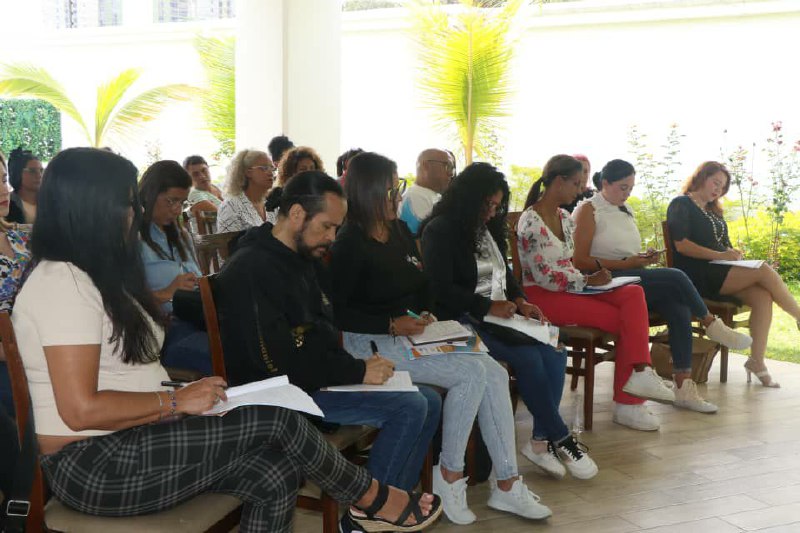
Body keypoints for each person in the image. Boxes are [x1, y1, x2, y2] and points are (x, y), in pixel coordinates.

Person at [10, 147, 442, 533]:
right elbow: (80, 409)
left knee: (275, 471)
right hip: (94, 465)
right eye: (126, 203)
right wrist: (178, 402)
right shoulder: (61, 282)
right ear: (90, 208)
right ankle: (371, 499)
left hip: (134, 440)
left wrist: (183, 395)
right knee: (276, 418)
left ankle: (368, 502)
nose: (134, 215)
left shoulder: (96, 277)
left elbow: (124, 373)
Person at [331, 153, 562, 525]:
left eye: (399, 187)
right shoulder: (350, 243)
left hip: (409, 335)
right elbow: (338, 314)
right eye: (394, 188)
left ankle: (507, 484)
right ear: (371, 191)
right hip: (369, 344)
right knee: (472, 374)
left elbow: (422, 285)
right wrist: (390, 323)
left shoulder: (399, 233)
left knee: (495, 373)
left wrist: (421, 314)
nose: (398, 196)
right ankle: (449, 476)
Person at [213, 171, 441, 524]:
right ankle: (368, 513)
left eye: (337, 228)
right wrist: (357, 371)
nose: (332, 238)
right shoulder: (252, 269)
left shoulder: (303, 259)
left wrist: (359, 364)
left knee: (428, 398)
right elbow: (274, 363)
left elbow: (319, 333)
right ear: (298, 214)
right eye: (327, 227)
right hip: (279, 397)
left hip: (313, 379)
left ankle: (384, 507)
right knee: (409, 406)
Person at [420, 162, 599, 485]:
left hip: (499, 314)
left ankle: (541, 441)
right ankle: (562, 438)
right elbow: (440, 290)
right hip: (463, 318)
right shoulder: (440, 230)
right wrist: (488, 305)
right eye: (487, 204)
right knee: (529, 357)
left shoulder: (487, 229)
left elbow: (507, 275)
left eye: (497, 205)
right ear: (469, 199)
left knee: (555, 348)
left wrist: (520, 301)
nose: (492, 211)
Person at [572, 159, 752, 412]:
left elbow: (625, 252)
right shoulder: (588, 210)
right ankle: (711, 323)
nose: (628, 193)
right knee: (676, 276)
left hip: (631, 275)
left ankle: (683, 386)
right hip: (605, 281)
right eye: (623, 188)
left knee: (676, 304)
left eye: (631, 188)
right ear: (605, 183)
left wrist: (642, 258)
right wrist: (626, 263)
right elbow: (579, 261)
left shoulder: (625, 210)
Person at [516, 155, 675, 431]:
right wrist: (588, 280)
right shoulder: (530, 220)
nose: (580, 190)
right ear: (558, 181)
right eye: (576, 183)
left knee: (632, 294)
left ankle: (641, 375)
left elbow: (566, 265)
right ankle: (630, 400)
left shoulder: (564, 217)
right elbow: (545, 277)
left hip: (572, 288)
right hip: (543, 297)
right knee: (628, 322)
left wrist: (590, 281)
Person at [667, 161, 800, 388]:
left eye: (722, 186)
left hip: (718, 271)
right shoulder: (681, 204)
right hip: (694, 276)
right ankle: (798, 314)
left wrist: (732, 253)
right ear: (701, 177)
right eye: (715, 182)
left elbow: (722, 246)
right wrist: (720, 256)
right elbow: (682, 246)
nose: (718, 189)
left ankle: (757, 362)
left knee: (762, 296)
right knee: (763, 269)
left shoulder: (713, 211)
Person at [138, 160, 211, 376]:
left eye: (182, 203)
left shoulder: (180, 236)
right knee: (222, 354)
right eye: (171, 201)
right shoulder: (133, 239)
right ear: (150, 194)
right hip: (162, 332)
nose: (177, 209)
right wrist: (168, 292)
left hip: (196, 319)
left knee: (243, 344)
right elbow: (123, 301)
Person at [0, 150, 33, 519]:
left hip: (31, 348)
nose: (4, 188)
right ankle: (23, 510)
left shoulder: (24, 236)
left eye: (5, 176)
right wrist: (12, 351)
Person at [398, 148, 454, 235]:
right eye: (448, 166)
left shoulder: (430, 195)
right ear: (425, 166)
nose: (450, 173)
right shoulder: (416, 197)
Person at [216, 149, 275, 232]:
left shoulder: (273, 203)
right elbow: (228, 243)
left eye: (272, 168)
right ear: (248, 172)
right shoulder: (231, 206)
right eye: (264, 168)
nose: (271, 173)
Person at [183, 155, 224, 233]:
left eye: (204, 170)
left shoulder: (217, 188)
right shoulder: (193, 194)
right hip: (211, 241)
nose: (202, 176)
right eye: (195, 174)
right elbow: (227, 215)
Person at [6, 147, 44, 224]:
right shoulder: (7, 204)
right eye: (32, 171)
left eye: (41, 170)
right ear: (17, 173)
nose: (39, 175)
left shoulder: (51, 202)